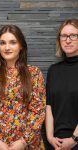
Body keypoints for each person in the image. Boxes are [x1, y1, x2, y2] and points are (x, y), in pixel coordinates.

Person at [0, 25, 46, 150]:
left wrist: (23, 142)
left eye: (13, 42)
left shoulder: (34, 73)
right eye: (3, 43)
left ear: (21, 46)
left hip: (26, 143)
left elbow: (38, 111)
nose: (7, 47)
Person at [45, 19, 78, 150]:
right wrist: (50, 138)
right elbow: (49, 106)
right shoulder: (53, 70)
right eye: (64, 36)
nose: (68, 40)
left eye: (73, 35)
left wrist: (74, 140)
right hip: (56, 144)